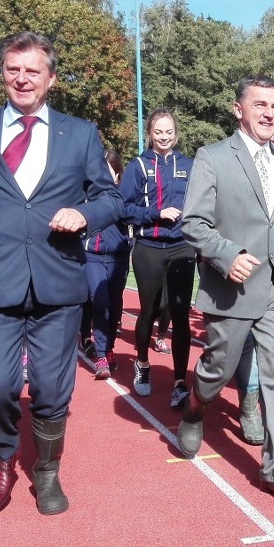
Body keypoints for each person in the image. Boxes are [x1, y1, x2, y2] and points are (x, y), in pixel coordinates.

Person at [0, 31, 122, 515]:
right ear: (3, 74)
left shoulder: (79, 133)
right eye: (14, 69)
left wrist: (85, 214)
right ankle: (3, 455)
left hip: (59, 281)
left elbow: (110, 197)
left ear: (50, 79)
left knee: (54, 390)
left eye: (32, 71)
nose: (22, 79)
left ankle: (47, 470)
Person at [178, 74, 274, 500]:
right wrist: (226, 255)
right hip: (232, 290)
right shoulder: (212, 157)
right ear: (239, 109)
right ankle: (196, 406)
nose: (269, 112)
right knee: (218, 369)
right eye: (259, 104)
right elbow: (193, 223)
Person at [121, 107, 196, 408]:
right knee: (149, 310)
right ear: (149, 133)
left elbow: (202, 202)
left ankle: (180, 381)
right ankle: (142, 363)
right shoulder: (137, 166)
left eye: (169, 132)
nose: (164, 138)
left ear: (176, 133)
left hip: (181, 247)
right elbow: (124, 207)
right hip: (149, 246)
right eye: (158, 132)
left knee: (180, 314)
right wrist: (155, 213)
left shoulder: (189, 165)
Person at [81, 149, 131, 379]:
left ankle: (109, 348)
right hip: (93, 255)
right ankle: (101, 354)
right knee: (99, 303)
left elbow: (134, 214)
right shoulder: (86, 193)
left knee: (115, 307)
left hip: (118, 256)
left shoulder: (123, 194)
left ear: (116, 172)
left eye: (108, 169)